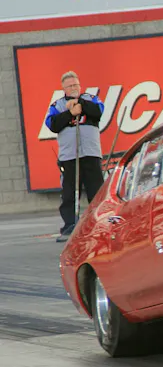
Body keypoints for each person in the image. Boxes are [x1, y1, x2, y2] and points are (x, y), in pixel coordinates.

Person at [45, 71, 105, 243]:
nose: (73, 88)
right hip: (69, 156)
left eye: (75, 85)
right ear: (63, 88)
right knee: (70, 193)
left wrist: (80, 105)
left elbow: (98, 112)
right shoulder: (57, 105)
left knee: (96, 190)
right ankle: (70, 225)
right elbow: (52, 124)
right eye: (70, 86)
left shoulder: (91, 99)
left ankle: (98, 223)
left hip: (91, 152)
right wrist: (69, 113)